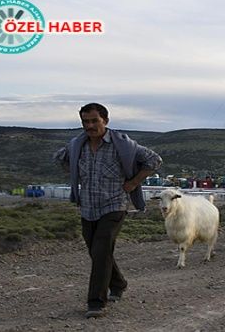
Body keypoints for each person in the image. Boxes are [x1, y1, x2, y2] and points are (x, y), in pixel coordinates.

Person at [54, 103, 162, 318]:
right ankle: (119, 283)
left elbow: (154, 160)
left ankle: (96, 302)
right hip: (87, 206)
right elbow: (59, 158)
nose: (90, 126)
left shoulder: (123, 145)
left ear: (105, 121)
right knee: (97, 252)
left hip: (114, 205)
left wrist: (133, 183)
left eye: (95, 121)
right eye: (86, 121)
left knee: (101, 250)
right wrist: (74, 172)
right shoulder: (77, 145)